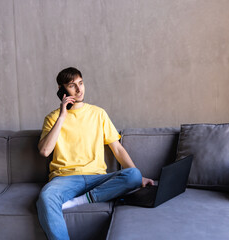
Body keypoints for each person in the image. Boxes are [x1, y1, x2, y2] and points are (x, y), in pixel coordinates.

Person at [36, 67, 154, 240]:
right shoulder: (53, 118)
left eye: (81, 83)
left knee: (134, 175)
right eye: (72, 85)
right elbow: (45, 151)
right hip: (64, 179)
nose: (79, 89)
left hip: (97, 178)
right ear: (62, 90)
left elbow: (118, 149)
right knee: (46, 198)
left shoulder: (98, 113)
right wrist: (62, 116)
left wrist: (140, 178)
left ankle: (82, 200)